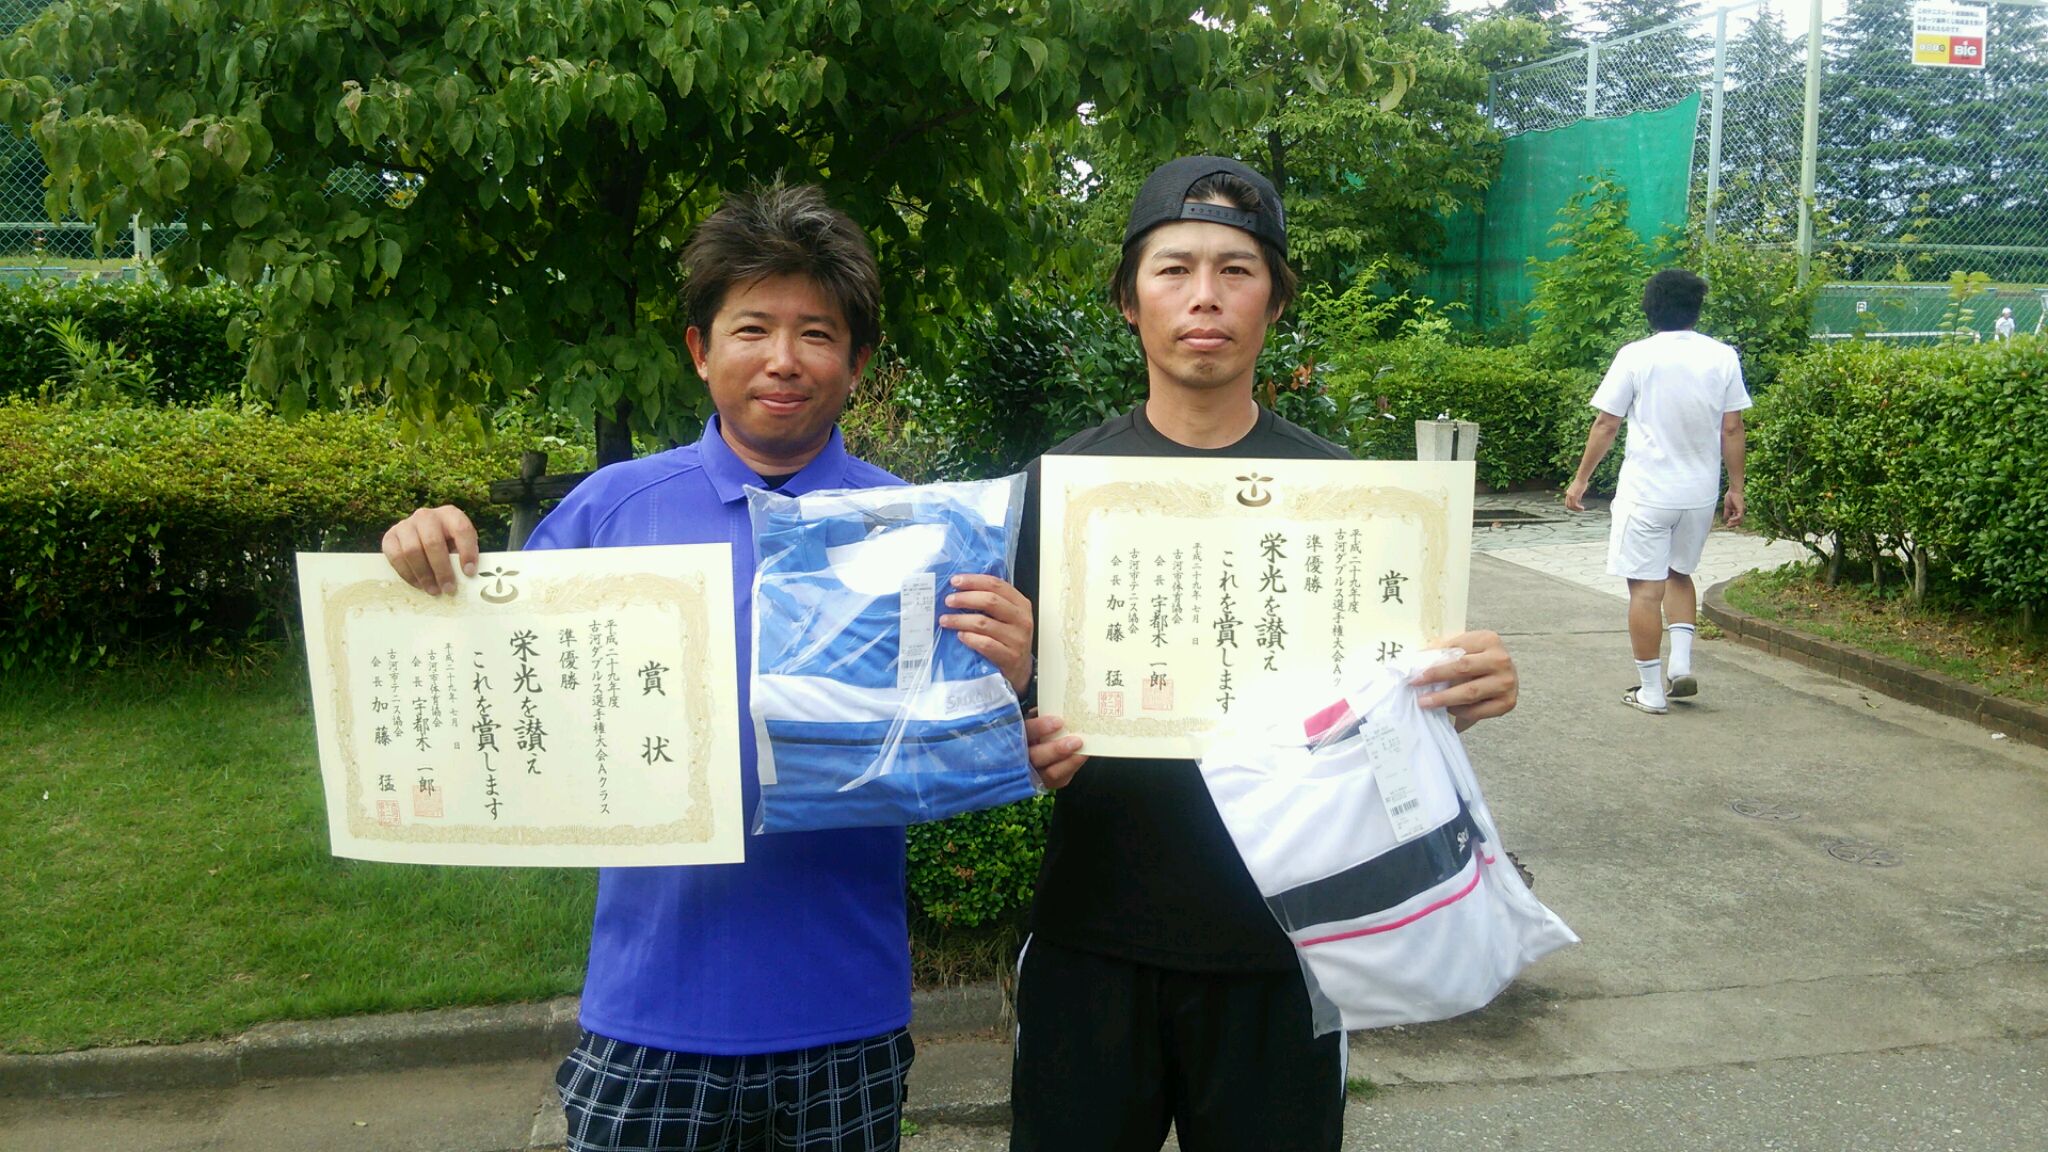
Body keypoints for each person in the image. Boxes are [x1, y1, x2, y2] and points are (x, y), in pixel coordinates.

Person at [380, 183, 1042, 1152]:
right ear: (700, 349)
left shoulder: (923, 532)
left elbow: (968, 744)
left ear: (856, 363)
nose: (783, 359)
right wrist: (427, 565)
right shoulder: (611, 512)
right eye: (751, 329)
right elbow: (492, 684)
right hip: (650, 1013)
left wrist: (1011, 676)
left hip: (842, 1016)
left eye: (816, 334)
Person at [1008, 156, 1521, 1152]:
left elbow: (1395, 709)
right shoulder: (1053, 491)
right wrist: (1012, 732)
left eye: (1235, 270)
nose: (1203, 296)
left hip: (1289, 944)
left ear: (1275, 300)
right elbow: (1002, 705)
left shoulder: (1354, 502)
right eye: (1173, 269)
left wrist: (1459, 689)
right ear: (1128, 300)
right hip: (1091, 935)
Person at [1563, 268, 1751, 715]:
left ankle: (1650, 691)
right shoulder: (1723, 356)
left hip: (1647, 493)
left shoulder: (1635, 355)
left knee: (1646, 589)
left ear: (1650, 308)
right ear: (1696, 309)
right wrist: (1736, 488)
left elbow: (1606, 423)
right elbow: (1732, 427)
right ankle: (1680, 664)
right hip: (1698, 494)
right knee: (1679, 574)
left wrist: (1581, 479)